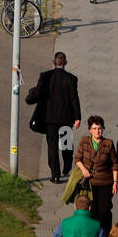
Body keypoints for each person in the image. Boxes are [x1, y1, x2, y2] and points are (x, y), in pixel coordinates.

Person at [26, 51, 81, 183]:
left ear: (53, 62)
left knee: (52, 146)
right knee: (66, 143)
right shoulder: (71, 79)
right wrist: (77, 117)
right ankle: (67, 166)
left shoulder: (45, 76)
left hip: (49, 118)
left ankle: (55, 175)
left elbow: (38, 93)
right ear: (65, 63)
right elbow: (74, 99)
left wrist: (30, 98)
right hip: (66, 118)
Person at [75, 115, 118, 237]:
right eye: (94, 128)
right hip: (90, 182)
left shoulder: (108, 143)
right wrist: (84, 169)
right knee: (92, 209)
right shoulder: (84, 141)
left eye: (99, 128)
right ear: (90, 130)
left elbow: (115, 164)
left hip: (105, 181)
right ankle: (93, 234)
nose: (97, 131)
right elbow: (77, 159)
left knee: (104, 210)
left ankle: (106, 234)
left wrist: (115, 182)